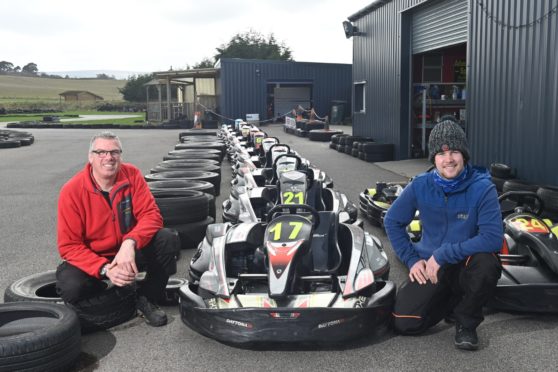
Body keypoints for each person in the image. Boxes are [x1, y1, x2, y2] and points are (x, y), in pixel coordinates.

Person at [384, 119, 503, 350]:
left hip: (464, 264)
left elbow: (492, 238)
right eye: (441, 153)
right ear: (434, 158)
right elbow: (392, 221)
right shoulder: (420, 184)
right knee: (405, 324)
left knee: (487, 264)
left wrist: (443, 254)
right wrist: (412, 259)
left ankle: (466, 322)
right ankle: (450, 302)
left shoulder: (483, 188)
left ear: (464, 155)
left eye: (454, 151)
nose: (448, 159)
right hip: (431, 267)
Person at [56, 131, 179, 327]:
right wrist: (105, 269)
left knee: (167, 239)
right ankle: (106, 289)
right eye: (101, 152)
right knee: (71, 286)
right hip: (95, 257)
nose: (109, 157)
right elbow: (69, 246)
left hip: (128, 252)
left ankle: (147, 298)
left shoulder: (132, 175)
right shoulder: (71, 191)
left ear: (120, 155)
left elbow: (152, 215)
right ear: (91, 157)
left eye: (114, 152)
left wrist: (130, 243)